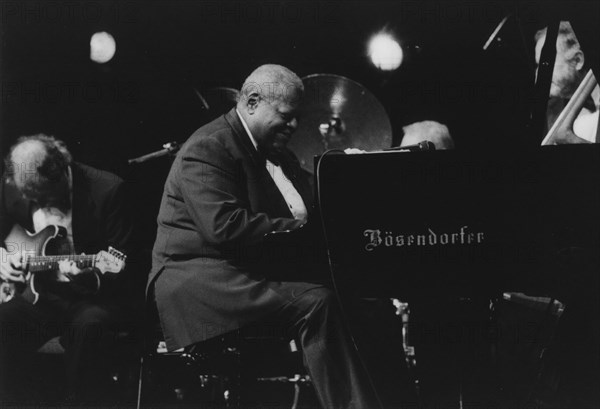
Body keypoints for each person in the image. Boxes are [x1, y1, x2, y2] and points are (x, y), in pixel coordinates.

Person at [148, 64, 383, 409]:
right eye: (286, 115)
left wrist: (348, 180)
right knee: (317, 302)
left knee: (363, 300)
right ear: (253, 101)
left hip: (241, 271)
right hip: (200, 282)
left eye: (296, 117)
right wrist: (306, 233)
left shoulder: (278, 153)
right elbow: (225, 227)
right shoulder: (209, 147)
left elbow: (311, 205)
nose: (294, 125)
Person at [0, 134, 134, 403]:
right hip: (39, 295)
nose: (37, 202)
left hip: (93, 297)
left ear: (61, 170)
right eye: (30, 196)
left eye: (43, 195)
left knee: (88, 331)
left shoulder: (108, 190)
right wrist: (3, 257)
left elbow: (129, 267)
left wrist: (88, 276)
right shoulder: (16, 185)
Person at [534, 21, 599, 143]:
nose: (539, 75)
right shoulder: (551, 110)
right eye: (538, 65)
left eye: (547, 64)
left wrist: (570, 139)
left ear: (578, 60)